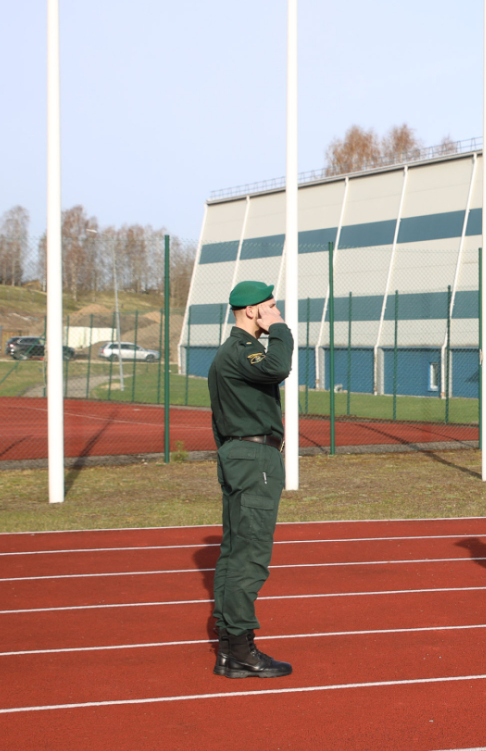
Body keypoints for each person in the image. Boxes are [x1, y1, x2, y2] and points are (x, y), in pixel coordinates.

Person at [207, 281, 295, 679]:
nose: (275, 312)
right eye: (270, 306)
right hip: (253, 456)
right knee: (250, 556)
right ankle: (241, 648)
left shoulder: (232, 354)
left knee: (233, 552)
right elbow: (279, 367)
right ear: (251, 311)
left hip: (241, 454)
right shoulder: (241, 352)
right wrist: (281, 328)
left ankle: (229, 648)